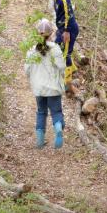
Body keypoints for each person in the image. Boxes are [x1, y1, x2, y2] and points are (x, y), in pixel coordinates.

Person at [24, 19, 66, 149]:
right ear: (51, 33)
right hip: (53, 88)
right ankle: (58, 127)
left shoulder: (32, 50)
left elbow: (26, 69)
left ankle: (40, 141)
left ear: (37, 34)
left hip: (39, 88)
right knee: (56, 112)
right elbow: (62, 67)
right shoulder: (55, 49)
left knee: (41, 112)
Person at [44, 0, 79, 95]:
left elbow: (68, 15)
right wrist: (56, 31)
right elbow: (59, 17)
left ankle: (68, 82)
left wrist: (66, 31)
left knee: (65, 53)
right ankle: (71, 68)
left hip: (69, 30)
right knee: (59, 47)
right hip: (62, 29)